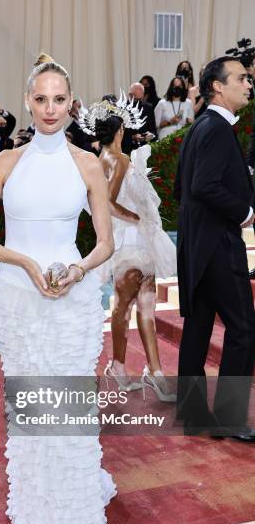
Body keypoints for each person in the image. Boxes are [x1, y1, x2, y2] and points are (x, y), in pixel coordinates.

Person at [0, 56, 117, 524]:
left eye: (59, 99)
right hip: (19, 298)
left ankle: (74, 515)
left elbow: (104, 243)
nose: (50, 109)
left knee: (68, 412)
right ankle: (37, 518)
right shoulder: (7, 162)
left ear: (71, 105)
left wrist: (77, 271)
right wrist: (26, 261)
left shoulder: (88, 163)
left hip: (72, 302)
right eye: (40, 99)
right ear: (27, 102)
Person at [174, 56, 255, 441]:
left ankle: (193, 414)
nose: (248, 83)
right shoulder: (218, 129)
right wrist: (245, 211)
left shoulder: (198, 127)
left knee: (198, 327)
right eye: (240, 78)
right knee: (243, 329)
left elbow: (181, 189)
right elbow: (204, 186)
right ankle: (228, 417)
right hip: (220, 246)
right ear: (218, 87)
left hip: (197, 245)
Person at [80, 97, 177, 399]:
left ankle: (142, 369)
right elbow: (107, 203)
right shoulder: (119, 160)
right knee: (135, 307)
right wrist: (134, 216)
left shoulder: (98, 161)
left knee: (131, 307)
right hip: (131, 242)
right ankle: (136, 370)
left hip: (129, 242)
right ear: (120, 130)